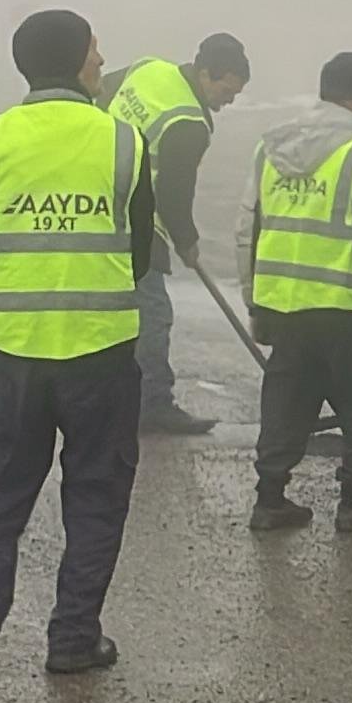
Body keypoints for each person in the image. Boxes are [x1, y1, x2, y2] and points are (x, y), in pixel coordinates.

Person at [0, 5, 153, 680]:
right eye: (96, 47)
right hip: (100, 353)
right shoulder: (123, 141)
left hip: (8, 356)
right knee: (94, 499)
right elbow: (139, 252)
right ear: (80, 60)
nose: (101, 58)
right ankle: (72, 641)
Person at [237, 51, 352, 534]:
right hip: (344, 310)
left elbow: (246, 232)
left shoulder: (270, 150)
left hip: (283, 306)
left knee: (286, 402)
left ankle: (270, 501)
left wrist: (255, 301)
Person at [101, 34, 252, 433]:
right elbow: (172, 193)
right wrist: (186, 240)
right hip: (135, 222)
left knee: (104, 307)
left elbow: (97, 96)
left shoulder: (150, 67)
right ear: (205, 74)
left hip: (91, 202)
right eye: (225, 90)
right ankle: (153, 403)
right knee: (153, 314)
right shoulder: (188, 123)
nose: (228, 101)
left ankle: (107, 396)